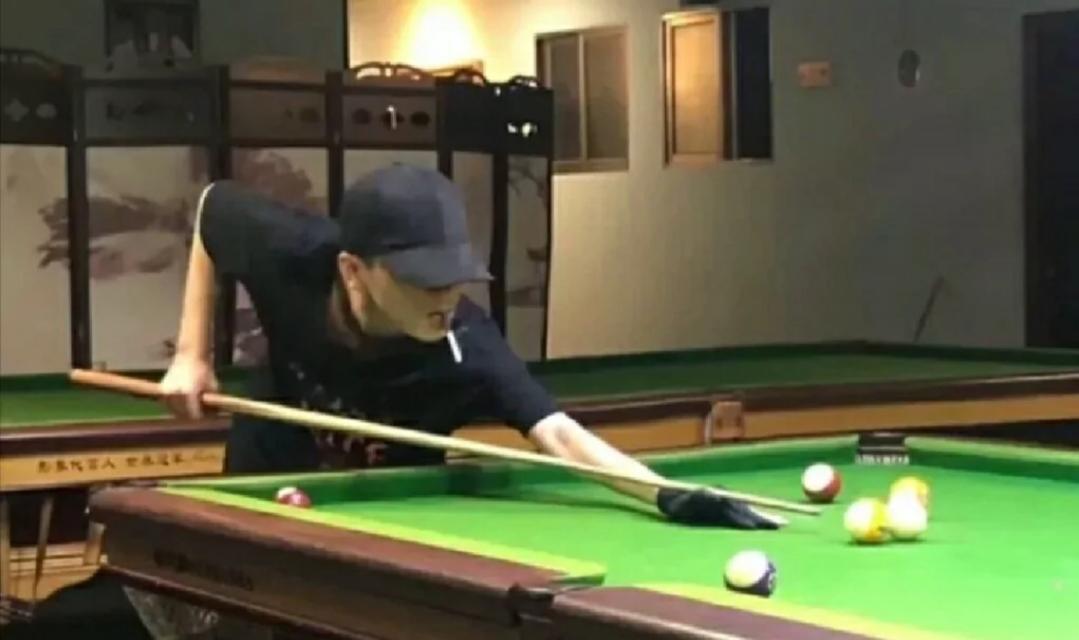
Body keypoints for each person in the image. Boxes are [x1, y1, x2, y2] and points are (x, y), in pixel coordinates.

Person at [160, 163, 781, 530]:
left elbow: (560, 436)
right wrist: (192, 354)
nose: (446, 296)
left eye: (455, 275)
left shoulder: (469, 346)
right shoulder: (292, 252)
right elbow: (214, 210)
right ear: (354, 271)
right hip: (266, 470)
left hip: (392, 512)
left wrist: (668, 495)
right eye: (422, 279)